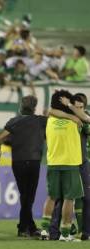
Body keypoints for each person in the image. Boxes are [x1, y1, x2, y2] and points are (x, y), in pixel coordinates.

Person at [0, 95, 47, 237]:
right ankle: (26, 227)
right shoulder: (42, 121)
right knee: (28, 196)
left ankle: (25, 227)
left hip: (18, 162)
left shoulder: (14, 121)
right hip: (34, 161)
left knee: (25, 195)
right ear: (34, 107)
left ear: (21, 106)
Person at [40, 90, 84, 242]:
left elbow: (51, 110)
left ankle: (44, 229)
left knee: (52, 197)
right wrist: (71, 106)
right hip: (70, 163)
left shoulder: (49, 120)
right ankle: (65, 234)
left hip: (53, 163)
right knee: (69, 198)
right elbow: (85, 117)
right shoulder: (76, 120)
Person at [49, 93, 90, 240]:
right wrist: (70, 113)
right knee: (60, 198)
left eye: (81, 107)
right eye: (76, 106)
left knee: (86, 198)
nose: (78, 110)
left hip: (82, 162)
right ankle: (54, 232)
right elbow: (50, 111)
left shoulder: (85, 119)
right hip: (66, 161)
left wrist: (71, 108)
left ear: (84, 108)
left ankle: (85, 232)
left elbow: (86, 120)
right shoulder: (65, 116)